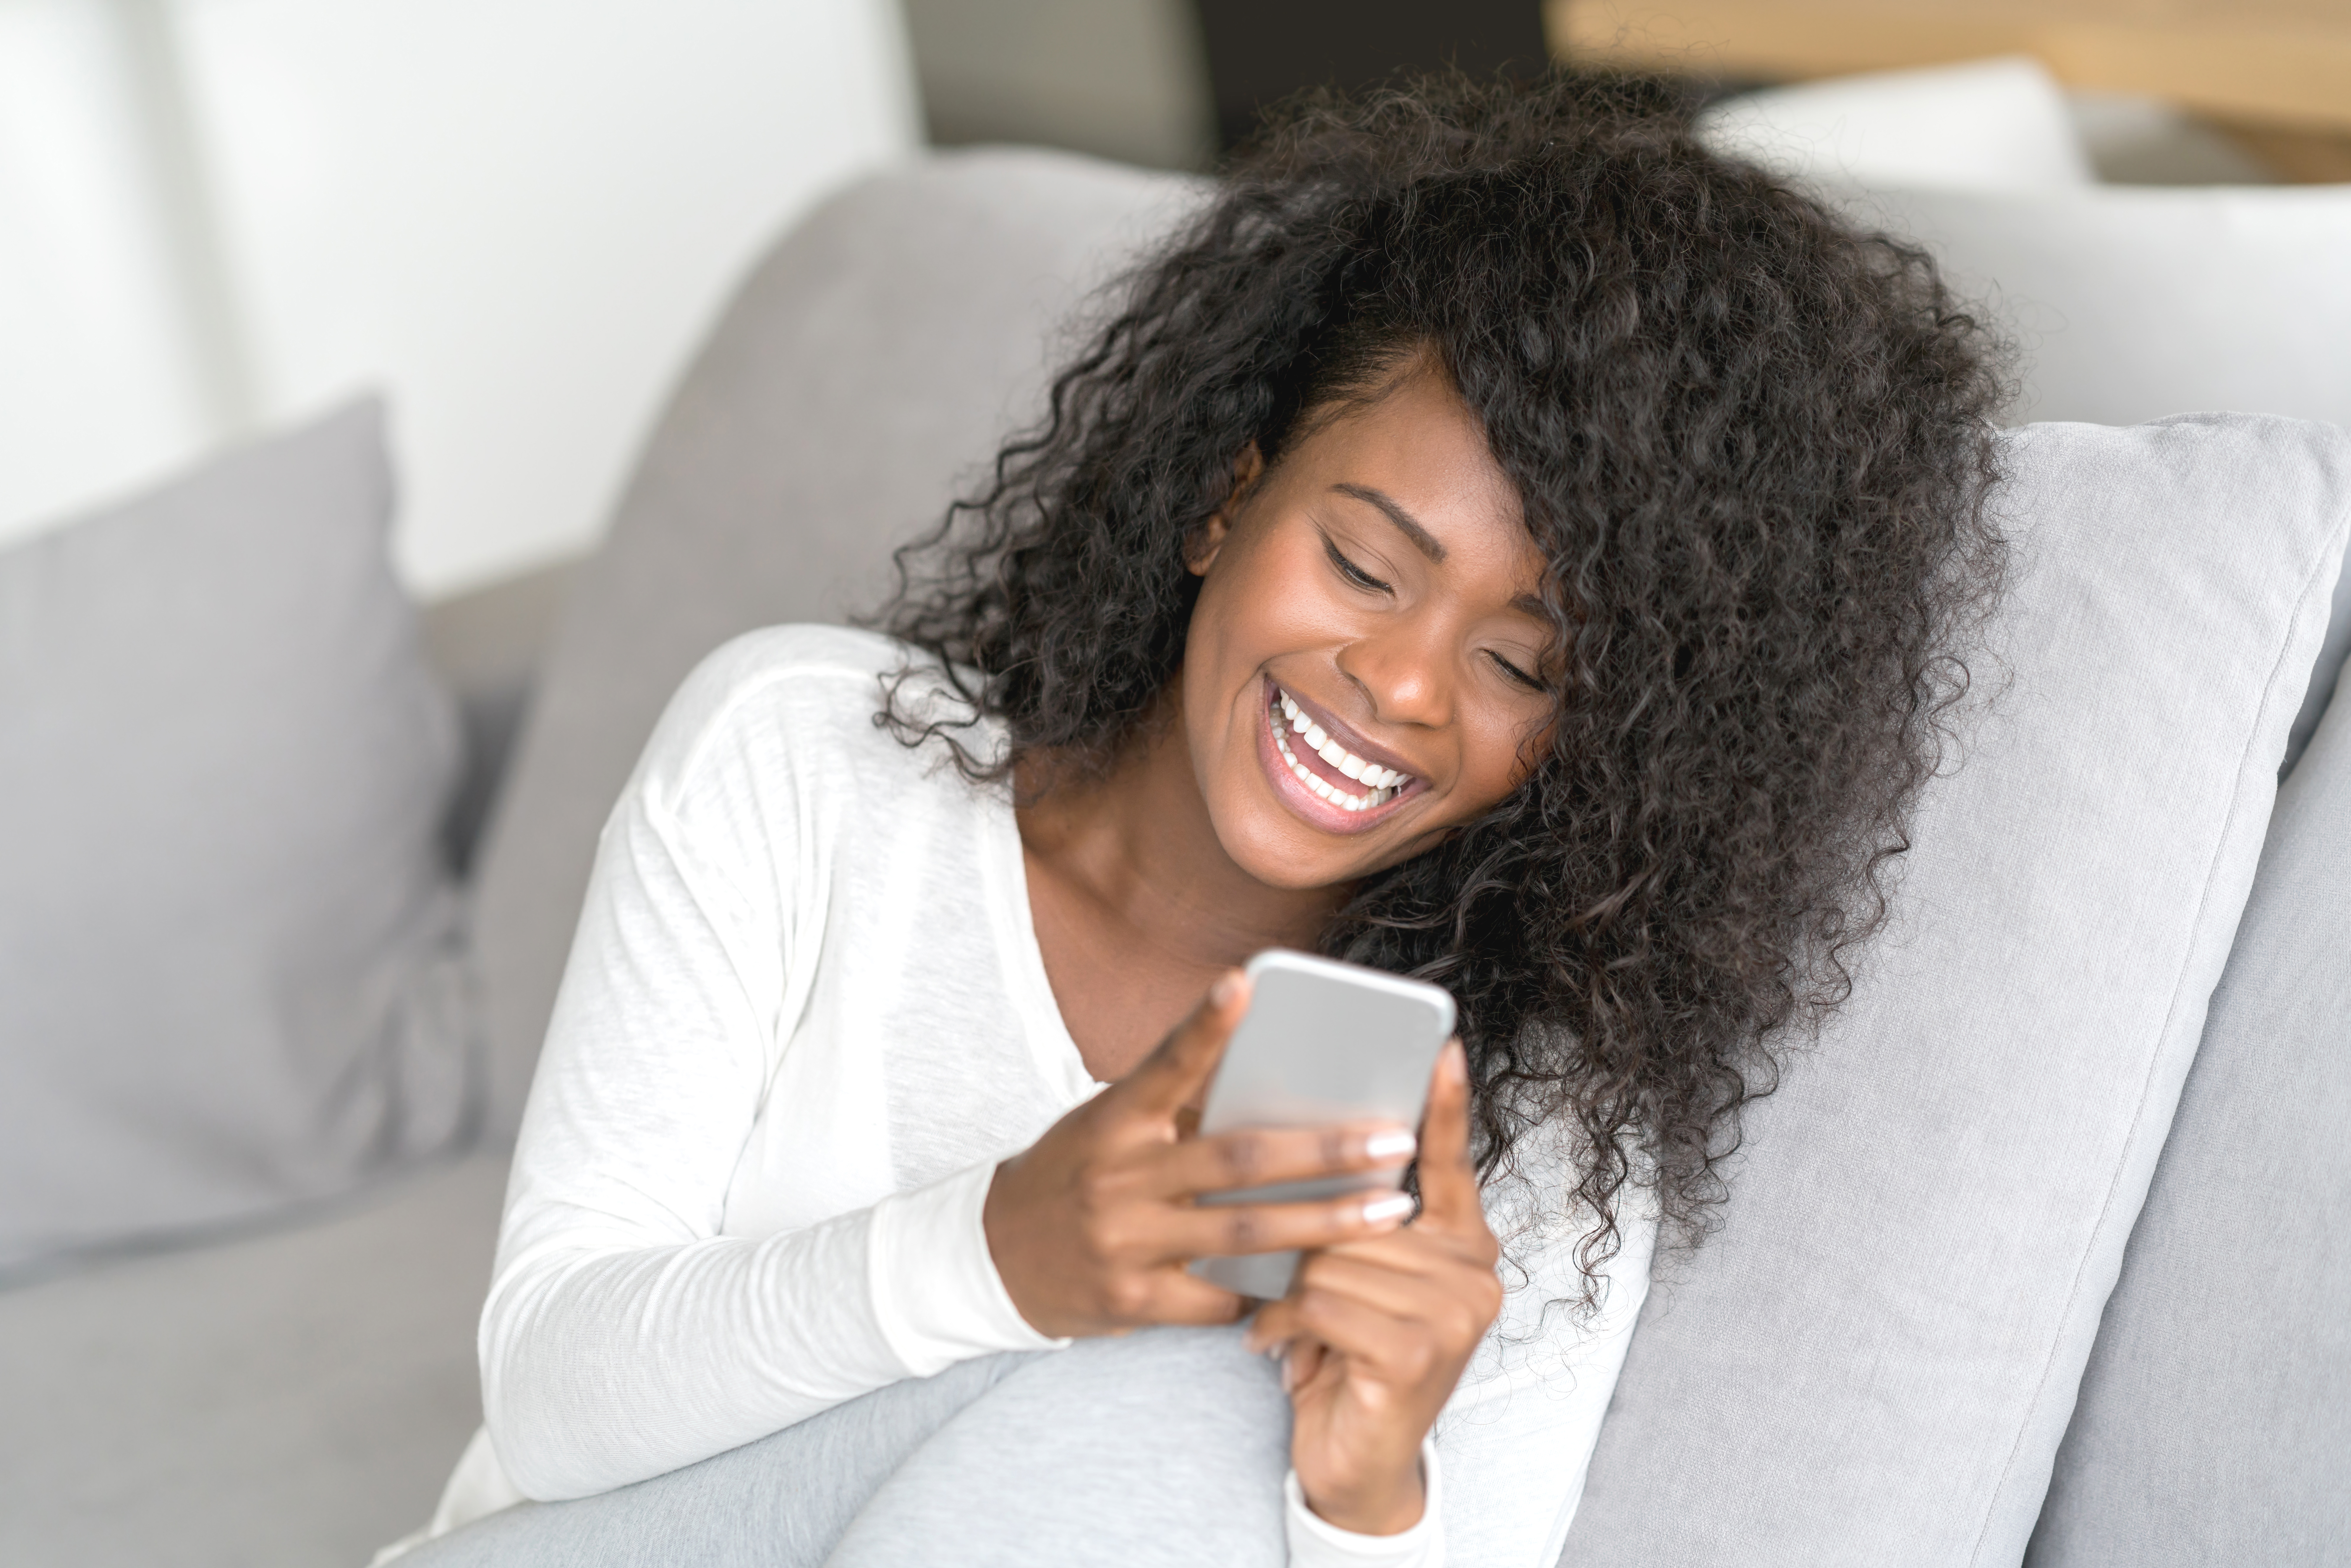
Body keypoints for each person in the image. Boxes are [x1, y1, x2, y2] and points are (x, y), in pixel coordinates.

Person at [388, 70, 2004, 1567]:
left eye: (1519, 663)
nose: (1402, 683)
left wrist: (1370, 1484)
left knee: (1178, 1413)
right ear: (1226, 496)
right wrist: (1004, 1253)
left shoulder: (1532, 1130)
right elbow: (551, 1396)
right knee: (1134, 1391)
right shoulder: (801, 764)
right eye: (1366, 565)